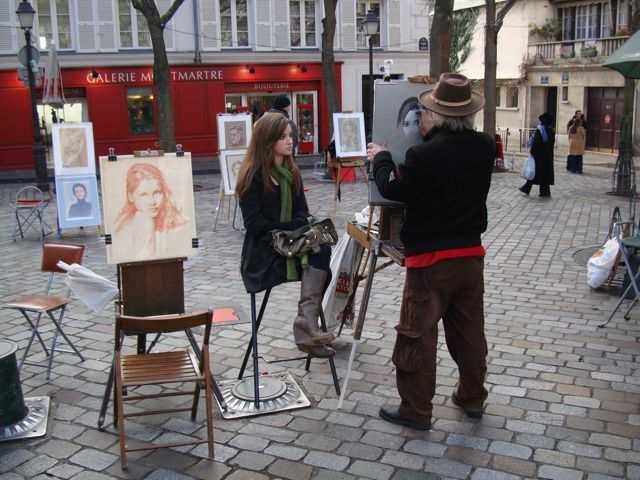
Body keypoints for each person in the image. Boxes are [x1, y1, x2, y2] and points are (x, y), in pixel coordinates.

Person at [367, 72, 494, 430]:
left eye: (426, 112)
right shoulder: (484, 146)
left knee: (417, 335)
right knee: (469, 332)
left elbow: (393, 188)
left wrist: (381, 158)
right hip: (470, 257)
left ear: (436, 116)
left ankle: (416, 410)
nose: (422, 117)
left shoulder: (424, 154)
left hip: (431, 262)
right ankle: (472, 397)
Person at [236, 113, 335, 358]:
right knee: (319, 258)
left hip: (291, 241)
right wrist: (288, 228)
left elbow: (303, 211)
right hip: (265, 252)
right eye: (283, 137)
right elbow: (255, 224)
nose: (290, 141)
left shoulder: (292, 172)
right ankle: (307, 329)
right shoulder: (252, 176)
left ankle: (306, 325)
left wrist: (293, 229)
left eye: (291, 135)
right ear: (267, 141)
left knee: (322, 248)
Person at [114, 162, 189, 260]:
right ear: (130, 196)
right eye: (143, 194)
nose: (152, 202)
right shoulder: (130, 225)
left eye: (157, 192)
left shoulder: (176, 223)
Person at [519, 112, 556, 197]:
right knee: (544, 174)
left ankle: (527, 188)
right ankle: (544, 191)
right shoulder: (551, 131)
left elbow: (535, 143)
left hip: (539, 156)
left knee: (535, 172)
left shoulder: (540, 131)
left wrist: (532, 152)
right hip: (548, 156)